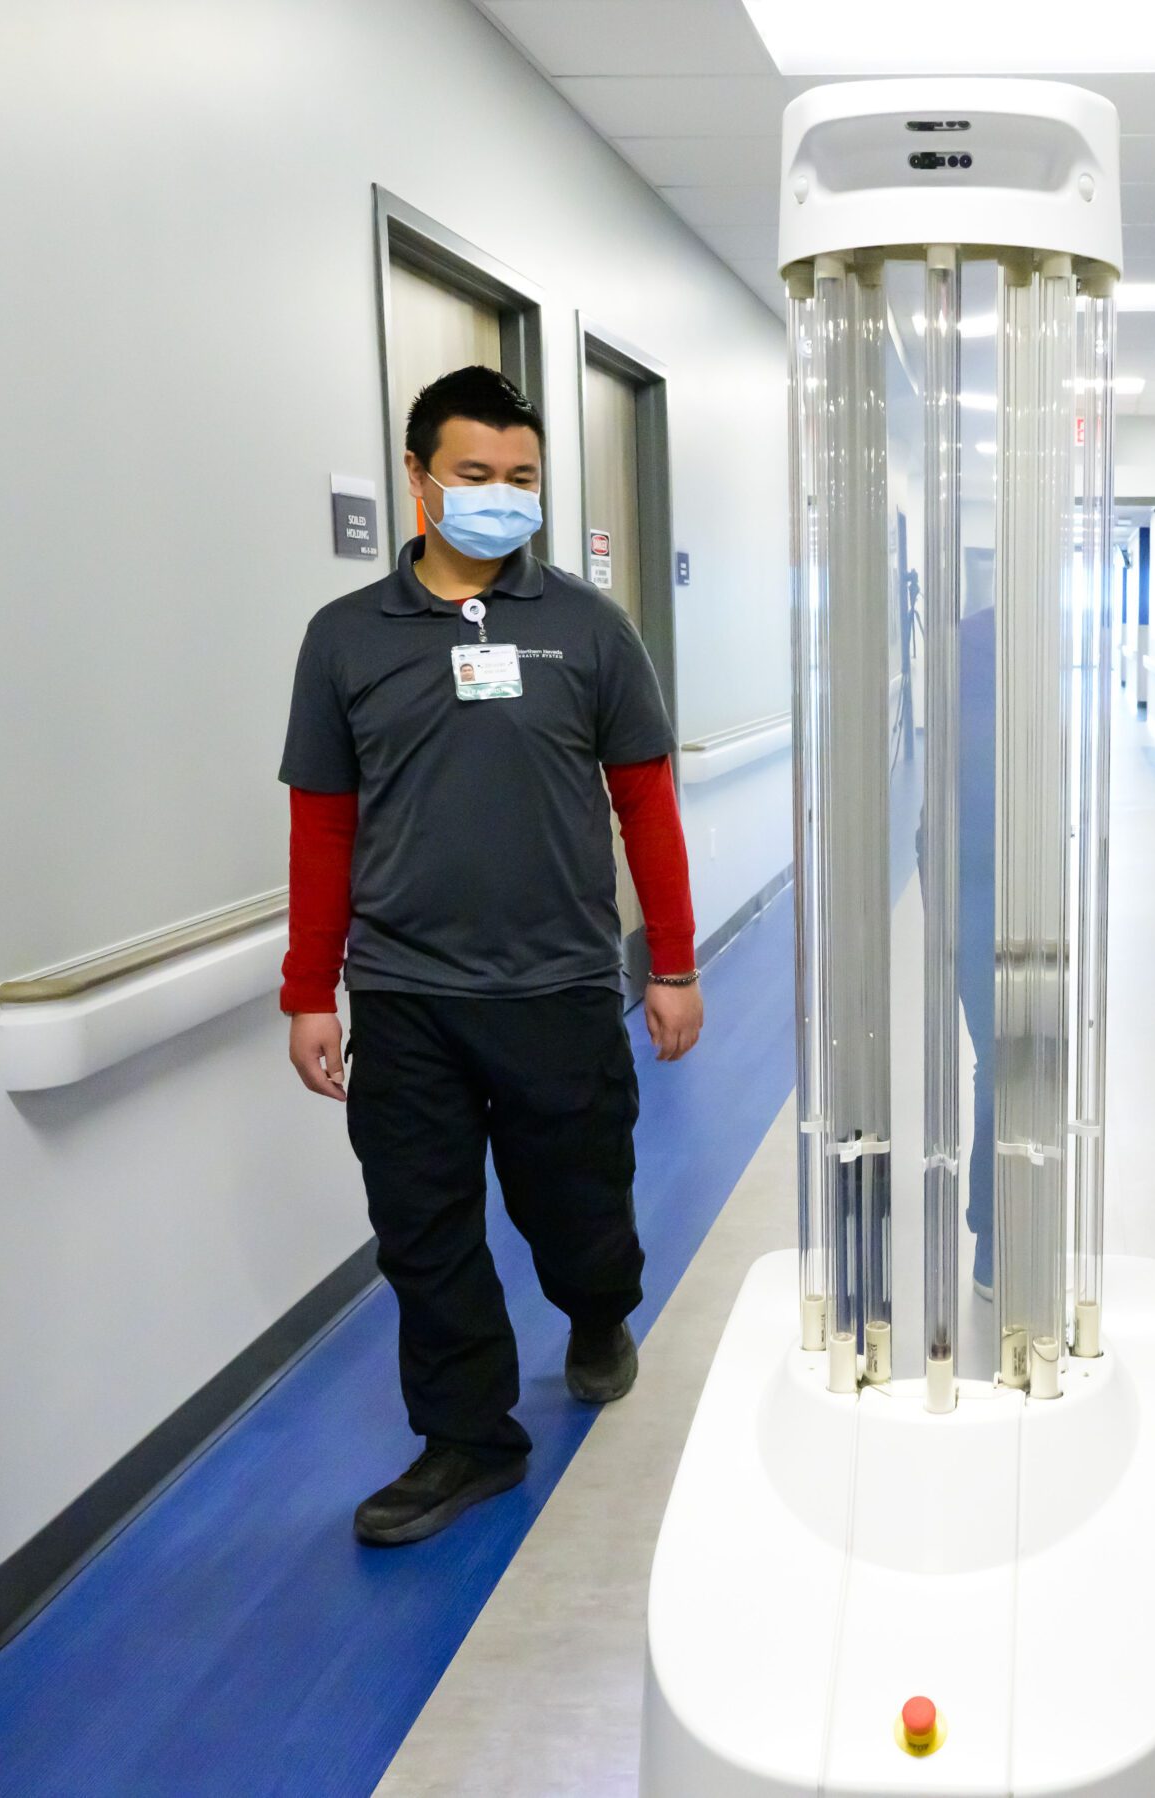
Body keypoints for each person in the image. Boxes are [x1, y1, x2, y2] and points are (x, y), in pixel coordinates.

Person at [278, 365, 705, 1546]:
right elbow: (322, 826)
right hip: (406, 994)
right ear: (420, 479)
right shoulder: (345, 640)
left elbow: (647, 810)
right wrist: (308, 990)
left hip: (559, 983)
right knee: (424, 1228)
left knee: (578, 1206)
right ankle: (467, 1439)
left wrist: (669, 964)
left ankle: (597, 1311)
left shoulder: (587, 629)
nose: (501, 496)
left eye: (522, 478)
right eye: (475, 475)